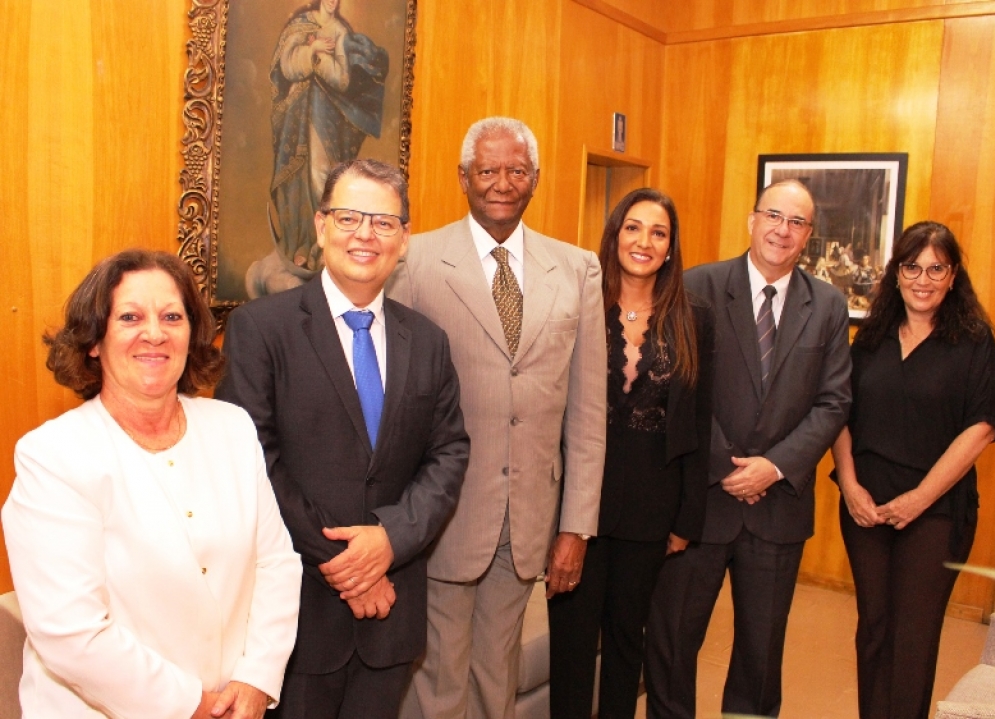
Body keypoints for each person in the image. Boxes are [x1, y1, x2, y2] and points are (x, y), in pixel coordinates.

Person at [217, 158, 469, 719]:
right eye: (350, 216)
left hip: (392, 615)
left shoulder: (428, 340)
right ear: (320, 225)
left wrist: (389, 540)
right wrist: (348, 566)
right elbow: (252, 461)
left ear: (404, 240)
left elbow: (449, 452)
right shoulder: (261, 329)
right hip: (296, 617)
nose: (365, 234)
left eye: (383, 222)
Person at [1, 249, 302, 718]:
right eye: (129, 317)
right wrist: (193, 706)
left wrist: (257, 678)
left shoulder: (232, 427)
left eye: (171, 316)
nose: (155, 333)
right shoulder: (52, 456)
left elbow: (277, 565)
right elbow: (72, 632)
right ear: (94, 340)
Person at [388, 116, 606, 719]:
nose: (501, 183)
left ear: (534, 178)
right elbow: (393, 402)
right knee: (436, 685)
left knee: (497, 678)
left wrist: (576, 527)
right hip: (443, 512)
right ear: (464, 178)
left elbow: (588, 415)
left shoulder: (578, 269)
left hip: (530, 517)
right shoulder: (416, 262)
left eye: (516, 170)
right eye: (487, 170)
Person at [644, 179, 852, 719]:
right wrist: (731, 468)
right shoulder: (696, 287)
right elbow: (675, 390)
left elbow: (833, 402)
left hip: (778, 509)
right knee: (671, 646)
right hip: (699, 504)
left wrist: (774, 467)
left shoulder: (827, 305)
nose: (783, 230)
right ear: (752, 220)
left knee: (761, 658)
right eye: (774, 216)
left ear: (808, 235)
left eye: (797, 222)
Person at [546, 189, 714, 719]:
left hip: (650, 511)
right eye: (634, 228)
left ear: (671, 247)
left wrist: (688, 518)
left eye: (658, 232)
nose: (644, 241)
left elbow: (699, 425)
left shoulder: (695, 320)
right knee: (572, 646)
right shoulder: (578, 306)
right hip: (579, 507)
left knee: (625, 643)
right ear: (614, 235)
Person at [831, 221, 995, 719]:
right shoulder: (870, 338)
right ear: (897, 273)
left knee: (914, 636)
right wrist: (848, 485)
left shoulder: (972, 342)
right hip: (866, 506)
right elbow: (838, 412)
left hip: (936, 513)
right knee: (874, 627)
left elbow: (982, 427)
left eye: (936, 268)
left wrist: (919, 498)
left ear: (953, 276)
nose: (923, 279)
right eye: (913, 267)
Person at [251, 0, 389, 297]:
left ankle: (317, 250)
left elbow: (341, 79)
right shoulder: (300, 24)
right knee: (295, 182)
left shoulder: (339, 30)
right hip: (296, 119)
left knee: (321, 179)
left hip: (325, 122)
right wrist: (311, 51)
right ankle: (298, 245)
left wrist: (321, 61)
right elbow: (286, 68)